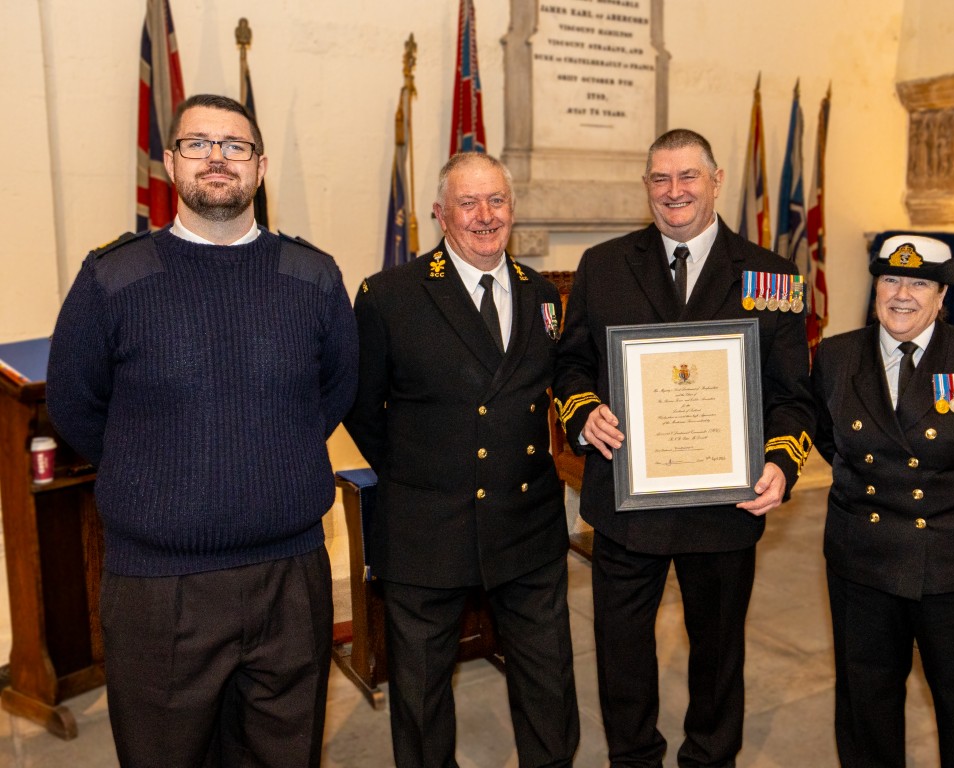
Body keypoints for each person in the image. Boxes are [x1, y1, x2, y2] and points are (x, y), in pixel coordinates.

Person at [46, 94, 358, 767]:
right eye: (197, 143)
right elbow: (76, 407)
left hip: (290, 574)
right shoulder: (112, 278)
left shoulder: (313, 276)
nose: (217, 157)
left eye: (234, 145)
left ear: (261, 166)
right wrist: (158, 468)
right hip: (160, 588)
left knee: (285, 755)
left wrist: (266, 453)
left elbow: (331, 393)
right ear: (170, 162)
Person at [552, 128, 815, 767]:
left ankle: (710, 757)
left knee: (720, 652)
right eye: (661, 180)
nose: (675, 192)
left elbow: (792, 395)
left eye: (688, 177)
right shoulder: (604, 265)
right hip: (626, 497)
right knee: (620, 650)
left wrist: (781, 463)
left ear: (716, 180)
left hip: (725, 505)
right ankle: (634, 758)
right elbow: (571, 365)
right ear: (646, 188)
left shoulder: (771, 276)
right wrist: (584, 411)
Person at [343, 152, 579, 767]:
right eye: (467, 203)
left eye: (495, 201)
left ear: (512, 209)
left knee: (549, 678)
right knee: (420, 695)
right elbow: (361, 405)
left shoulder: (542, 297)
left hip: (526, 521)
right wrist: (422, 470)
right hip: (426, 526)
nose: (484, 215)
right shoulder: (390, 296)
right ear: (440, 215)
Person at [811, 234, 954, 768]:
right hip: (863, 557)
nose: (901, 294)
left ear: (941, 295)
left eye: (918, 282)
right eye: (890, 279)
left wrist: (950, 505)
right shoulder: (838, 356)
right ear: (875, 286)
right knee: (867, 710)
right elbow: (827, 438)